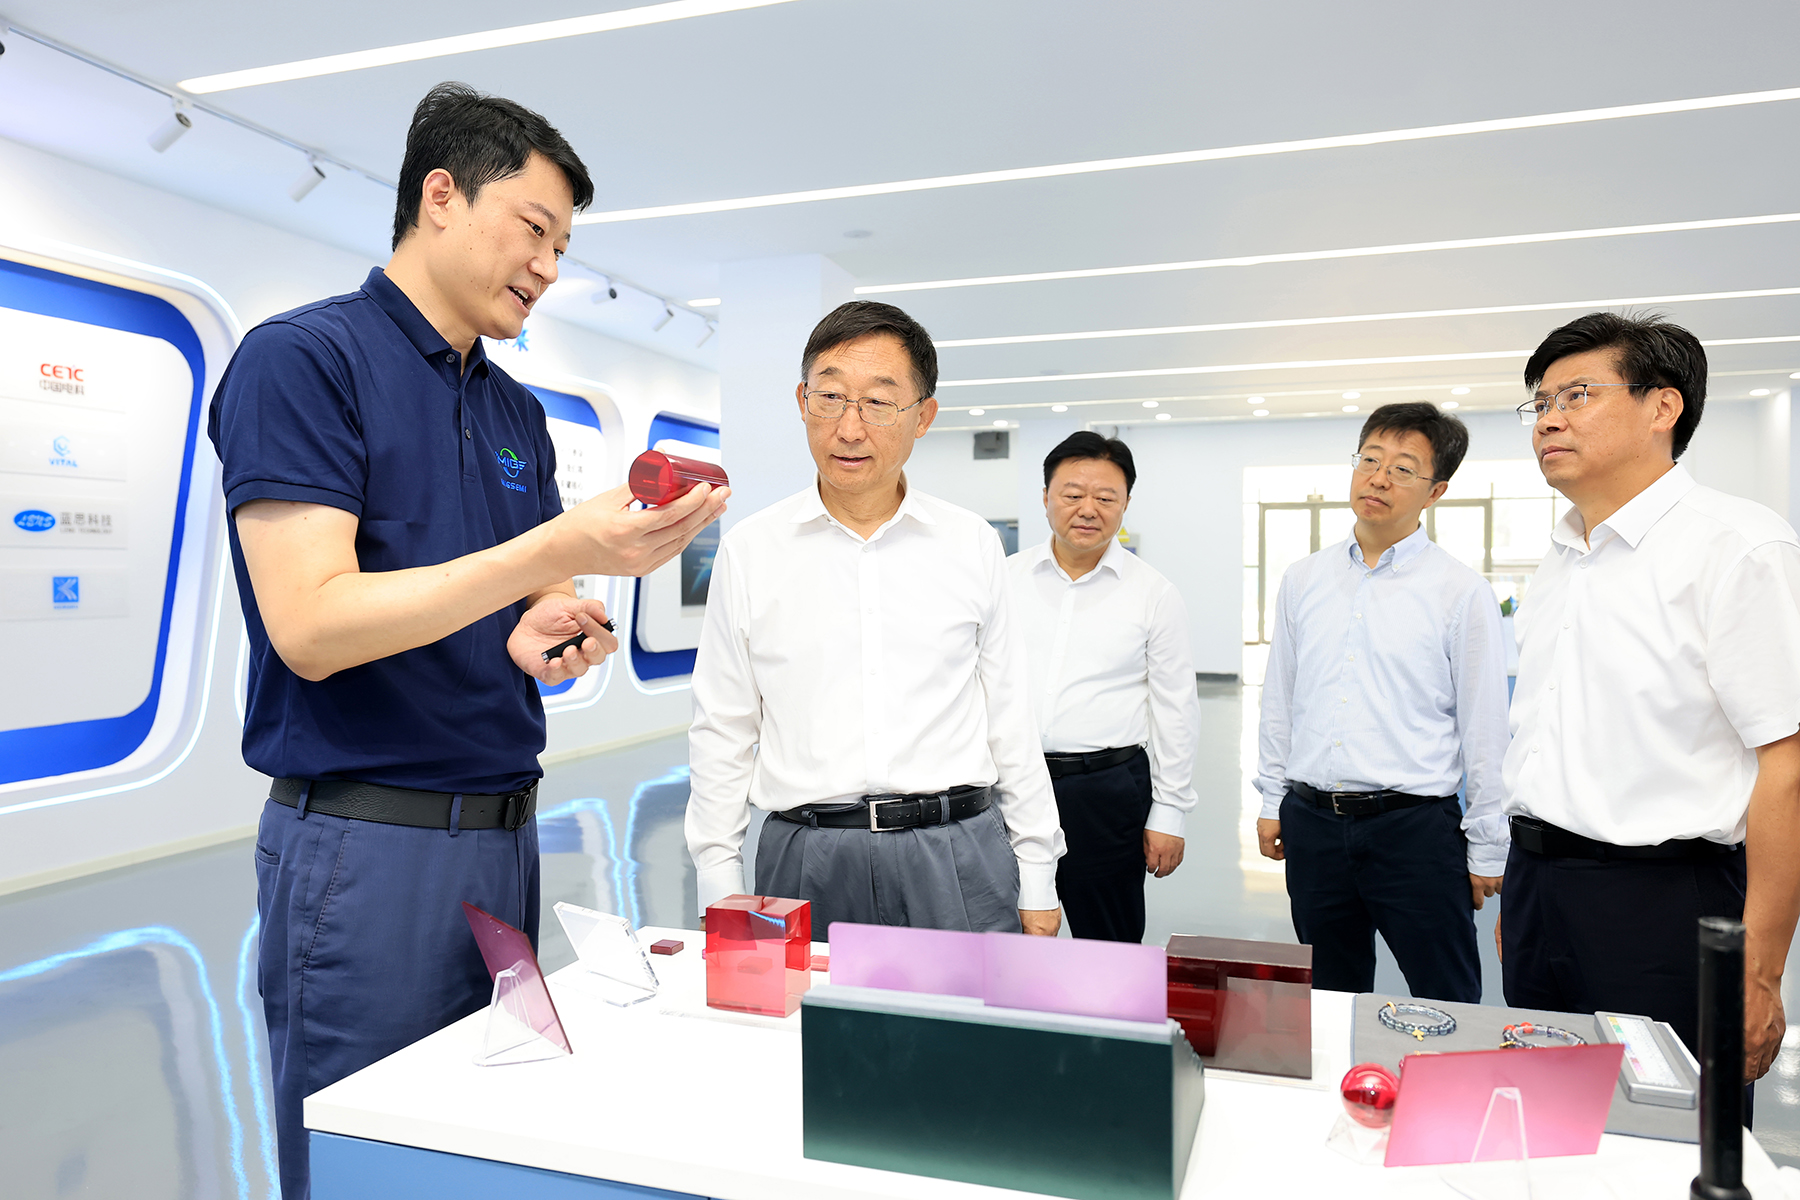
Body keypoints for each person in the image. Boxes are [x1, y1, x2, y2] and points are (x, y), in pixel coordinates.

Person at [209, 84, 727, 1200]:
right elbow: (311, 627)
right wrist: (550, 548)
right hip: (366, 847)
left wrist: (545, 622)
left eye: (563, 246)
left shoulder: (513, 414)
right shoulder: (304, 361)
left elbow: (505, 609)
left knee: (480, 1154)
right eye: (534, 229)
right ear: (440, 196)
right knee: (365, 1166)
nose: (548, 266)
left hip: (504, 840)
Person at [685, 300, 1064, 937]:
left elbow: (1010, 717)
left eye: (879, 403)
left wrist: (1038, 873)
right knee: (809, 1008)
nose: (849, 428)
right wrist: (719, 880)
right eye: (830, 397)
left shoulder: (969, 543)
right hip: (806, 855)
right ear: (802, 400)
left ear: (923, 417)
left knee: (967, 1006)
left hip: (955, 850)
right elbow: (723, 723)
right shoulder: (752, 550)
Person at [1502, 311, 1800, 1084]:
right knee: (1549, 1109)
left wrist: (1760, 970)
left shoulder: (1737, 546)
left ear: (1662, 406)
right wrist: (1526, 895)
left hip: (1663, 904)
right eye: (1540, 403)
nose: (1549, 420)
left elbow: (1788, 765)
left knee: (1669, 1126)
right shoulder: (1562, 555)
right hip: (1538, 889)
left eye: (1577, 395)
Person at [1256, 402, 1509, 1002]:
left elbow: (1485, 728)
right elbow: (1281, 698)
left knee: (1446, 994)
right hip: (1313, 823)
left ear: (1435, 491)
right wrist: (1271, 798)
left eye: (1402, 469)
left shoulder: (1460, 591)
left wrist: (1487, 843)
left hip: (1414, 830)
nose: (1378, 478)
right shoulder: (1303, 579)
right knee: (1330, 994)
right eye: (1369, 460)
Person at [1007, 432, 1199, 942]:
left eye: (1106, 498)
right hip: (1010, 784)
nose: (1088, 509)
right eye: (1072, 494)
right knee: (1007, 934)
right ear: (1045, 496)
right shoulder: (1003, 581)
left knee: (1110, 944)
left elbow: (1176, 709)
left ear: (1126, 504)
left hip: (1105, 791)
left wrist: (1170, 812)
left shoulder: (1154, 593)